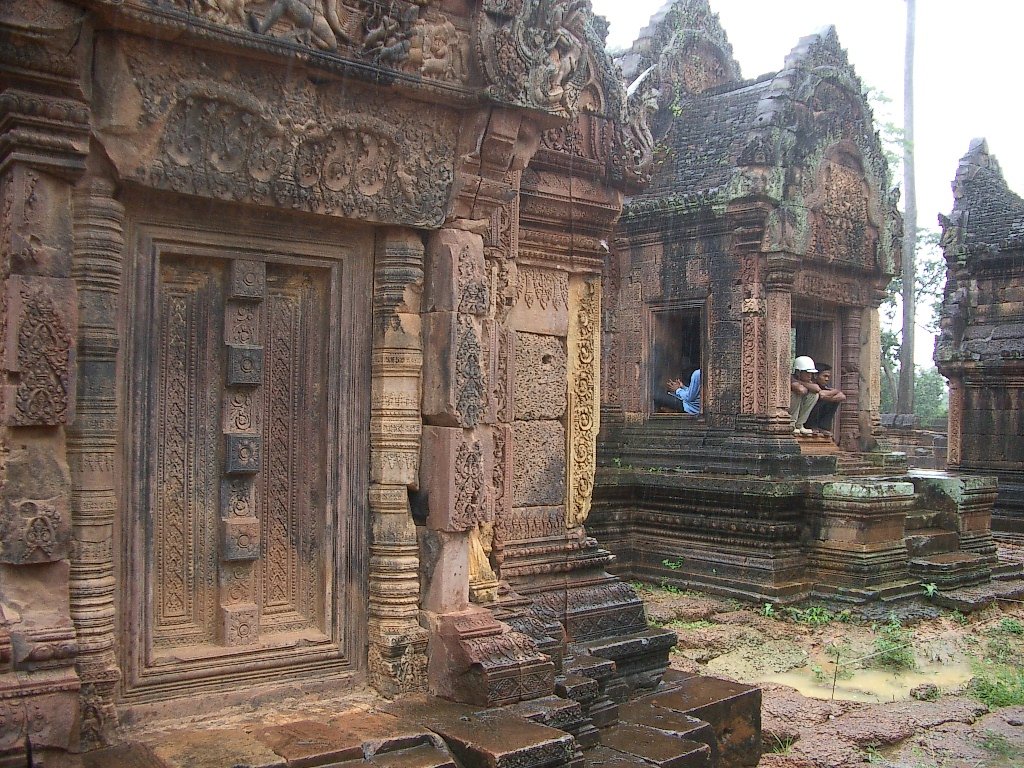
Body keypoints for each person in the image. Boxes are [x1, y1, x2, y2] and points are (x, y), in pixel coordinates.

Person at [805, 363, 846, 435]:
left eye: (828, 377)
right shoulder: (810, 384)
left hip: (820, 413)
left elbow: (842, 396)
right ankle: (811, 426)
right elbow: (821, 394)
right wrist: (832, 394)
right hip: (807, 418)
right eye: (824, 376)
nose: (827, 379)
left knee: (832, 402)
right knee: (817, 398)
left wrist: (830, 397)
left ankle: (823, 427)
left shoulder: (825, 386)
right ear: (815, 375)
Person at [790, 355, 820, 436]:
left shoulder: (806, 381)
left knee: (814, 395)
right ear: (799, 372)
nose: (809, 375)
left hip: (799, 409)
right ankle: (792, 424)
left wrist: (802, 383)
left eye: (811, 373)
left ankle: (799, 425)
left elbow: (817, 389)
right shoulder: (791, 378)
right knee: (797, 394)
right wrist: (801, 384)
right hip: (788, 410)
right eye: (807, 373)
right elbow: (801, 390)